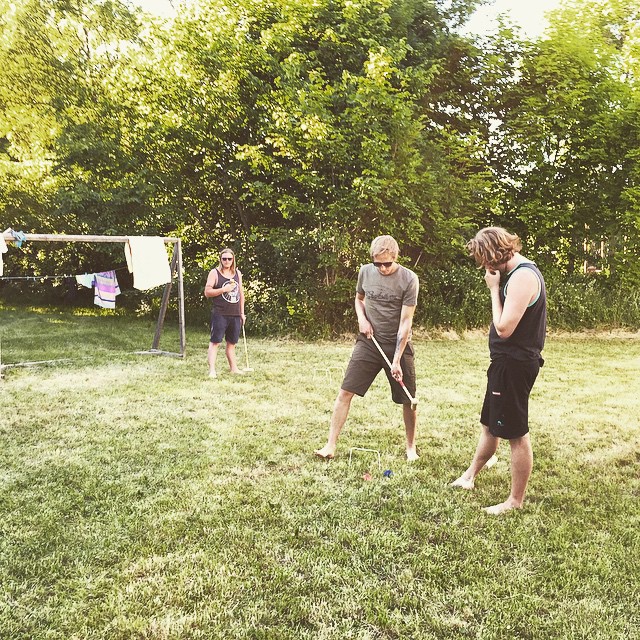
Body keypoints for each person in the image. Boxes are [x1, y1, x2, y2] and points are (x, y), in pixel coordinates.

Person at [451, 227, 547, 514]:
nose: (484, 266)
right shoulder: (515, 273)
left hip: (515, 365)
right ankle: (470, 476)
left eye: (484, 259)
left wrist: (494, 290)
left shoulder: (522, 277)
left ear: (494, 254)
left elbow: (504, 328)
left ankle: (514, 501)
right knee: (490, 423)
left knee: (516, 433)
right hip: (504, 363)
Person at [314, 235, 420, 461]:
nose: (382, 268)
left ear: (395, 257)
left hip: (397, 343)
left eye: (387, 263)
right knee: (345, 391)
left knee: (408, 399)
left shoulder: (409, 279)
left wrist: (397, 359)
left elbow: (405, 323)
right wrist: (362, 318)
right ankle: (330, 445)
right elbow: (359, 299)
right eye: (377, 263)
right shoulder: (365, 272)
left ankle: (410, 447)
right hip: (369, 342)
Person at [204, 248, 246, 377]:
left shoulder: (237, 273)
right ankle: (212, 370)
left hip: (235, 313)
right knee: (215, 341)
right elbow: (207, 292)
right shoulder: (214, 273)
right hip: (220, 313)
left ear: (233, 260)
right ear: (220, 260)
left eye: (229, 259)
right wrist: (223, 289)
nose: (227, 261)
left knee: (231, 343)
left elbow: (241, 293)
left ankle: (234, 368)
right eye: (224, 259)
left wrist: (242, 313)